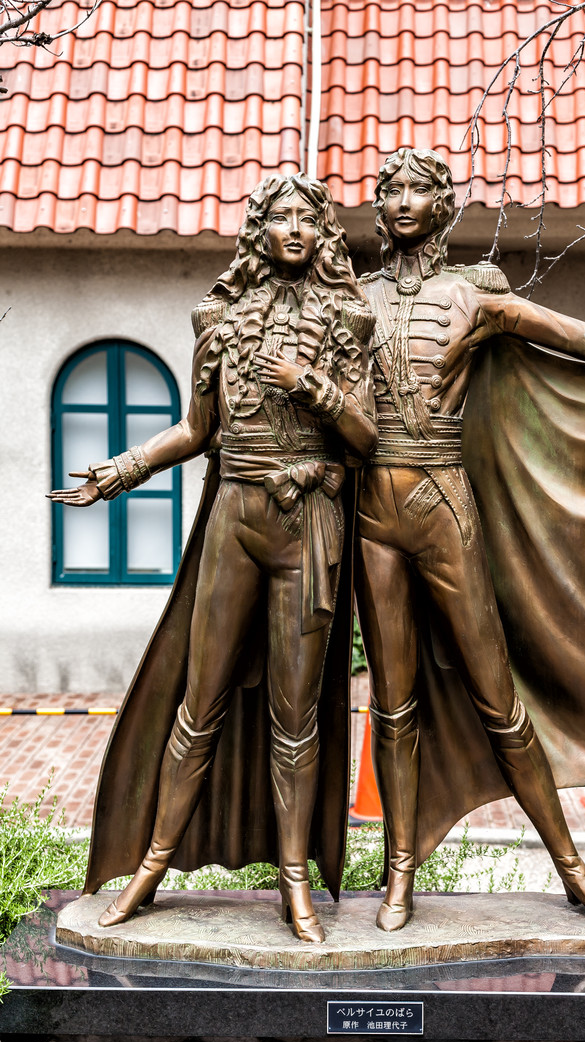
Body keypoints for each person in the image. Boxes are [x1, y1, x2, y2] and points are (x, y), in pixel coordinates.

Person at [355, 148, 585, 931]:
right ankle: (399, 871)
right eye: (392, 189)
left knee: (497, 698)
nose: (404, 200)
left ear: (442, 207)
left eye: (419, 190)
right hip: (375, 514)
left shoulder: (472, 294)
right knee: (392, 703)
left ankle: (572, 868)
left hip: (446, 504)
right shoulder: (355, 297)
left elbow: (558, 330)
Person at [49, 173, 376, 943]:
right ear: (258, 230)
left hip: (310, 526)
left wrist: (315, 388)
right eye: (279, 215)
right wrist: (126, 468)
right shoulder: (220, 320)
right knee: (198, 710)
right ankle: (151, 869)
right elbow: (196, 431)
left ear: (323, 231)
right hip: (236, 517)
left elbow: (365, 440)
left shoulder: (347, 319)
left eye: (307, 216)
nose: (294, 226)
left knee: (295, 722)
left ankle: (294, 886)